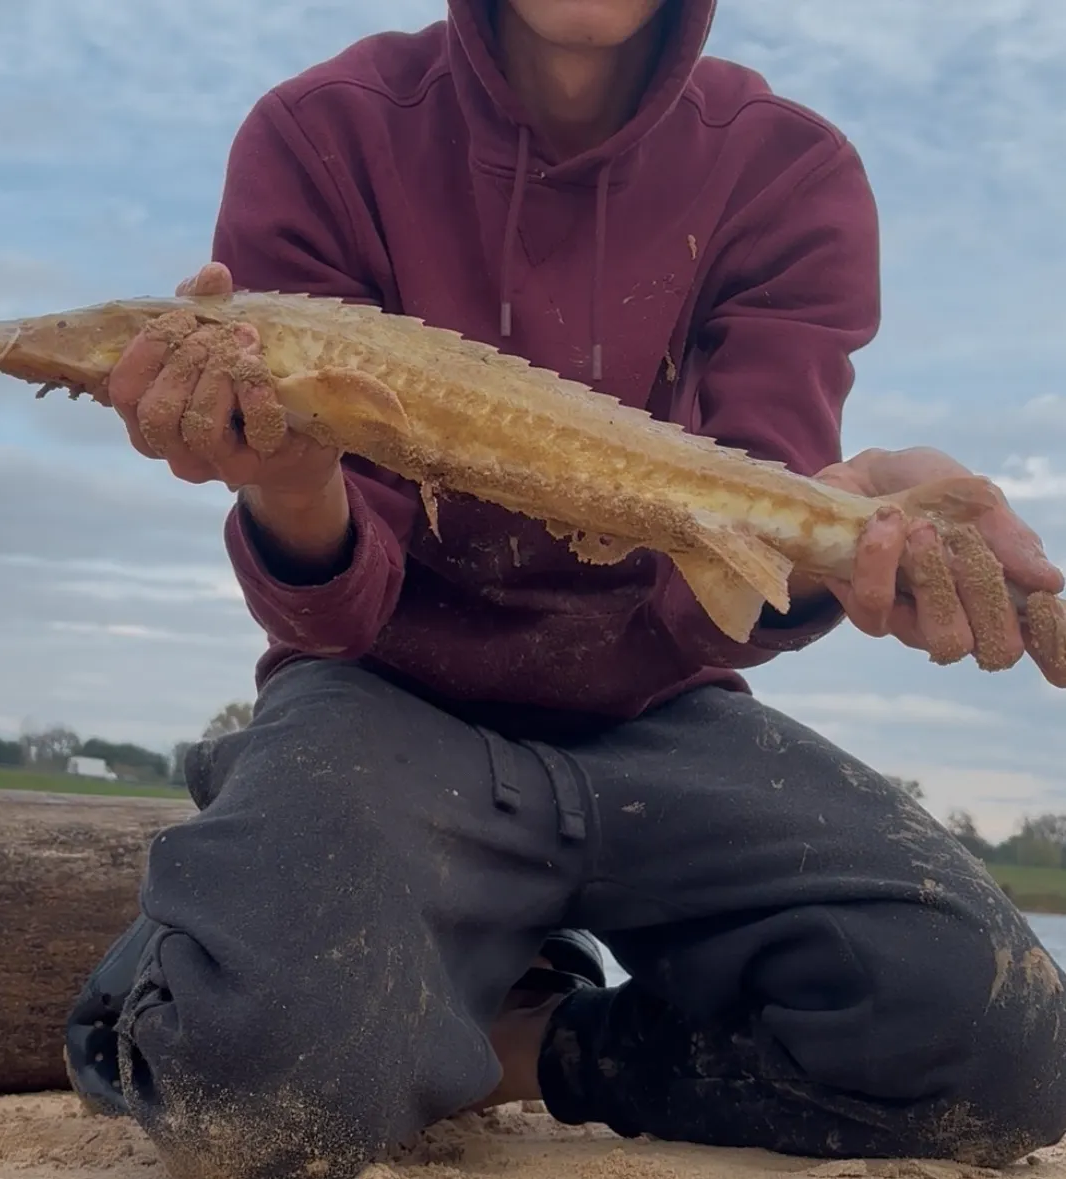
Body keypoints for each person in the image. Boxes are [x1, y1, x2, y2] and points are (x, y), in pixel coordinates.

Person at [63, 2, 1066, 1176]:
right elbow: (338, 607)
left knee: (1008, 1052)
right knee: (250, 1085)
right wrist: (292, 483)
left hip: (658, 719)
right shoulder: (323, 133)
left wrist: (859, 523)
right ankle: (231, 936)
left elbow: (720, 602)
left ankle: (523, 1033)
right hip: (386, 700)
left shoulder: (789, 168)